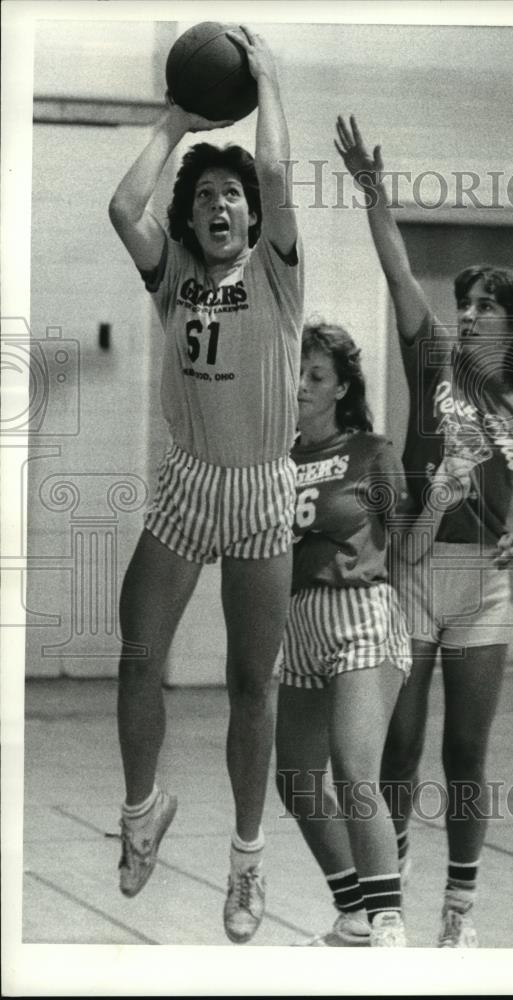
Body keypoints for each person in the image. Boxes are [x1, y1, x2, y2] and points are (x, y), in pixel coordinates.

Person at [334, 115, 513, 947]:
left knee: (465, 753)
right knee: (398, 747)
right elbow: (396, 269)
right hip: (413, 575)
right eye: (465, 304)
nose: (466, 316)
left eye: (484, 309)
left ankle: (457, 917)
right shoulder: (429, 356)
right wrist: (373, 192)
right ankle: (383, 906)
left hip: (484, 588)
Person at [107, 28, 303, 944]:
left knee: (248, 686)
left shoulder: (276, 269)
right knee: (138, 650)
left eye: (234, 196)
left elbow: (276, 178)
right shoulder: (172, 272)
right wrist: (175, 122)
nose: (223, 205)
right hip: (189, 484)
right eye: (208, 198)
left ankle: (247, 862)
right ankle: (143, 809)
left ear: (251, 214)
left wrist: (265, 83)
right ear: (190, 220)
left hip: (263, 489)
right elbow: (121, 206)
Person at [275, 322, 411, 947]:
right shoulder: (273, 458)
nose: (301, 385)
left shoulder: (374, 451)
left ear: (342, 388)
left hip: (362, 611)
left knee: (356, 772)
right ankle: (355, 910)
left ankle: (389, 925)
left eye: (316, 376)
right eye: (296, 373)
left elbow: (406, 544)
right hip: (297, 619)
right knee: (297, 778)